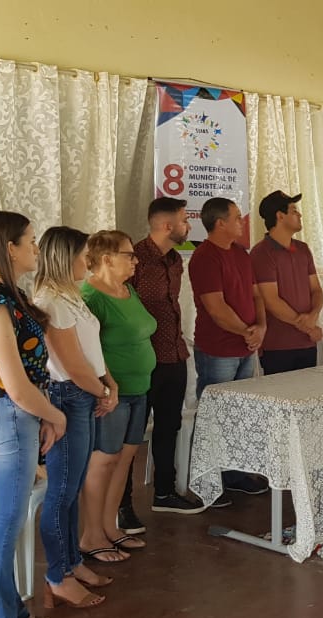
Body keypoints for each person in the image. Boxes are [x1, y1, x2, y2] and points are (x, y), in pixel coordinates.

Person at [0, 211, 69, 618]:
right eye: (31, 240)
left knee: (4, 519)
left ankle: (7, 611)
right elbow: (16, 385)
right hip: (7, 412)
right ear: (10, 248)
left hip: (15, 412)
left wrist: (43, 414)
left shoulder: (8, 294)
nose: (36, 249)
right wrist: (55, 416)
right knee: (6, 519)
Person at [33, 226, 118, 603]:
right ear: (66, 257)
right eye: (84, 255)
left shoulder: (71, 295)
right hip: (68, 396)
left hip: (85, 392)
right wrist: (102, 392)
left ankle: (71, 562)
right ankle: (57, 574)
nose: (89, 260)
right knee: (62, 491)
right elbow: (71, 362)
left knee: (72, 485)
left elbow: (91, 351)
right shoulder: (51, 300)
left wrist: (109, 384)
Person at [80, 230, 157, 561]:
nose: (135, 261)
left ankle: (110, 527)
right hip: (111, 394)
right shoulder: (91, 296)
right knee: (103, 461)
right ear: (107, 259)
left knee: (125, 459)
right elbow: (84, 350)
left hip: (139, 388)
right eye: (129, 255)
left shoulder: (127, 289)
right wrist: (105, 386)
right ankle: (91, 534)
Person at [189, 197, 269, 505]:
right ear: (220, 223)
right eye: (236, 217)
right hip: (218, 349)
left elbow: (256, 295)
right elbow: (216, 308)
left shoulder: (240, 253)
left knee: (238, 413)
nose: (242, 221)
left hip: (245, 346)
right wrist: (247, 332)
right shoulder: (205, 257)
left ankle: (233, 474)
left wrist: (260, 327)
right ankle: (206, 481)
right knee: (214, 415)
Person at [129, 197, 205, 516]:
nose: (188, 225)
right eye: (184, 220)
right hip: (142, 359)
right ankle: (123, 505)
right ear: (166, 225)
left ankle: (164, 492)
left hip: (173, 353)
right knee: (132, 434)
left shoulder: (175, 260)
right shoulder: (135, 258)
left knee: (168, 426)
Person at [253, 191, 323, 373]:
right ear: (280, 216)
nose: (299, 215)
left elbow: (316, 290)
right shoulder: (262, 252)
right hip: (278, 345)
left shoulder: (303, 249)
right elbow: (271, 300)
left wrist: (314, 314)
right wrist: (308, 327)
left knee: (309, 389)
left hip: (307, 343)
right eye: (294, 211)